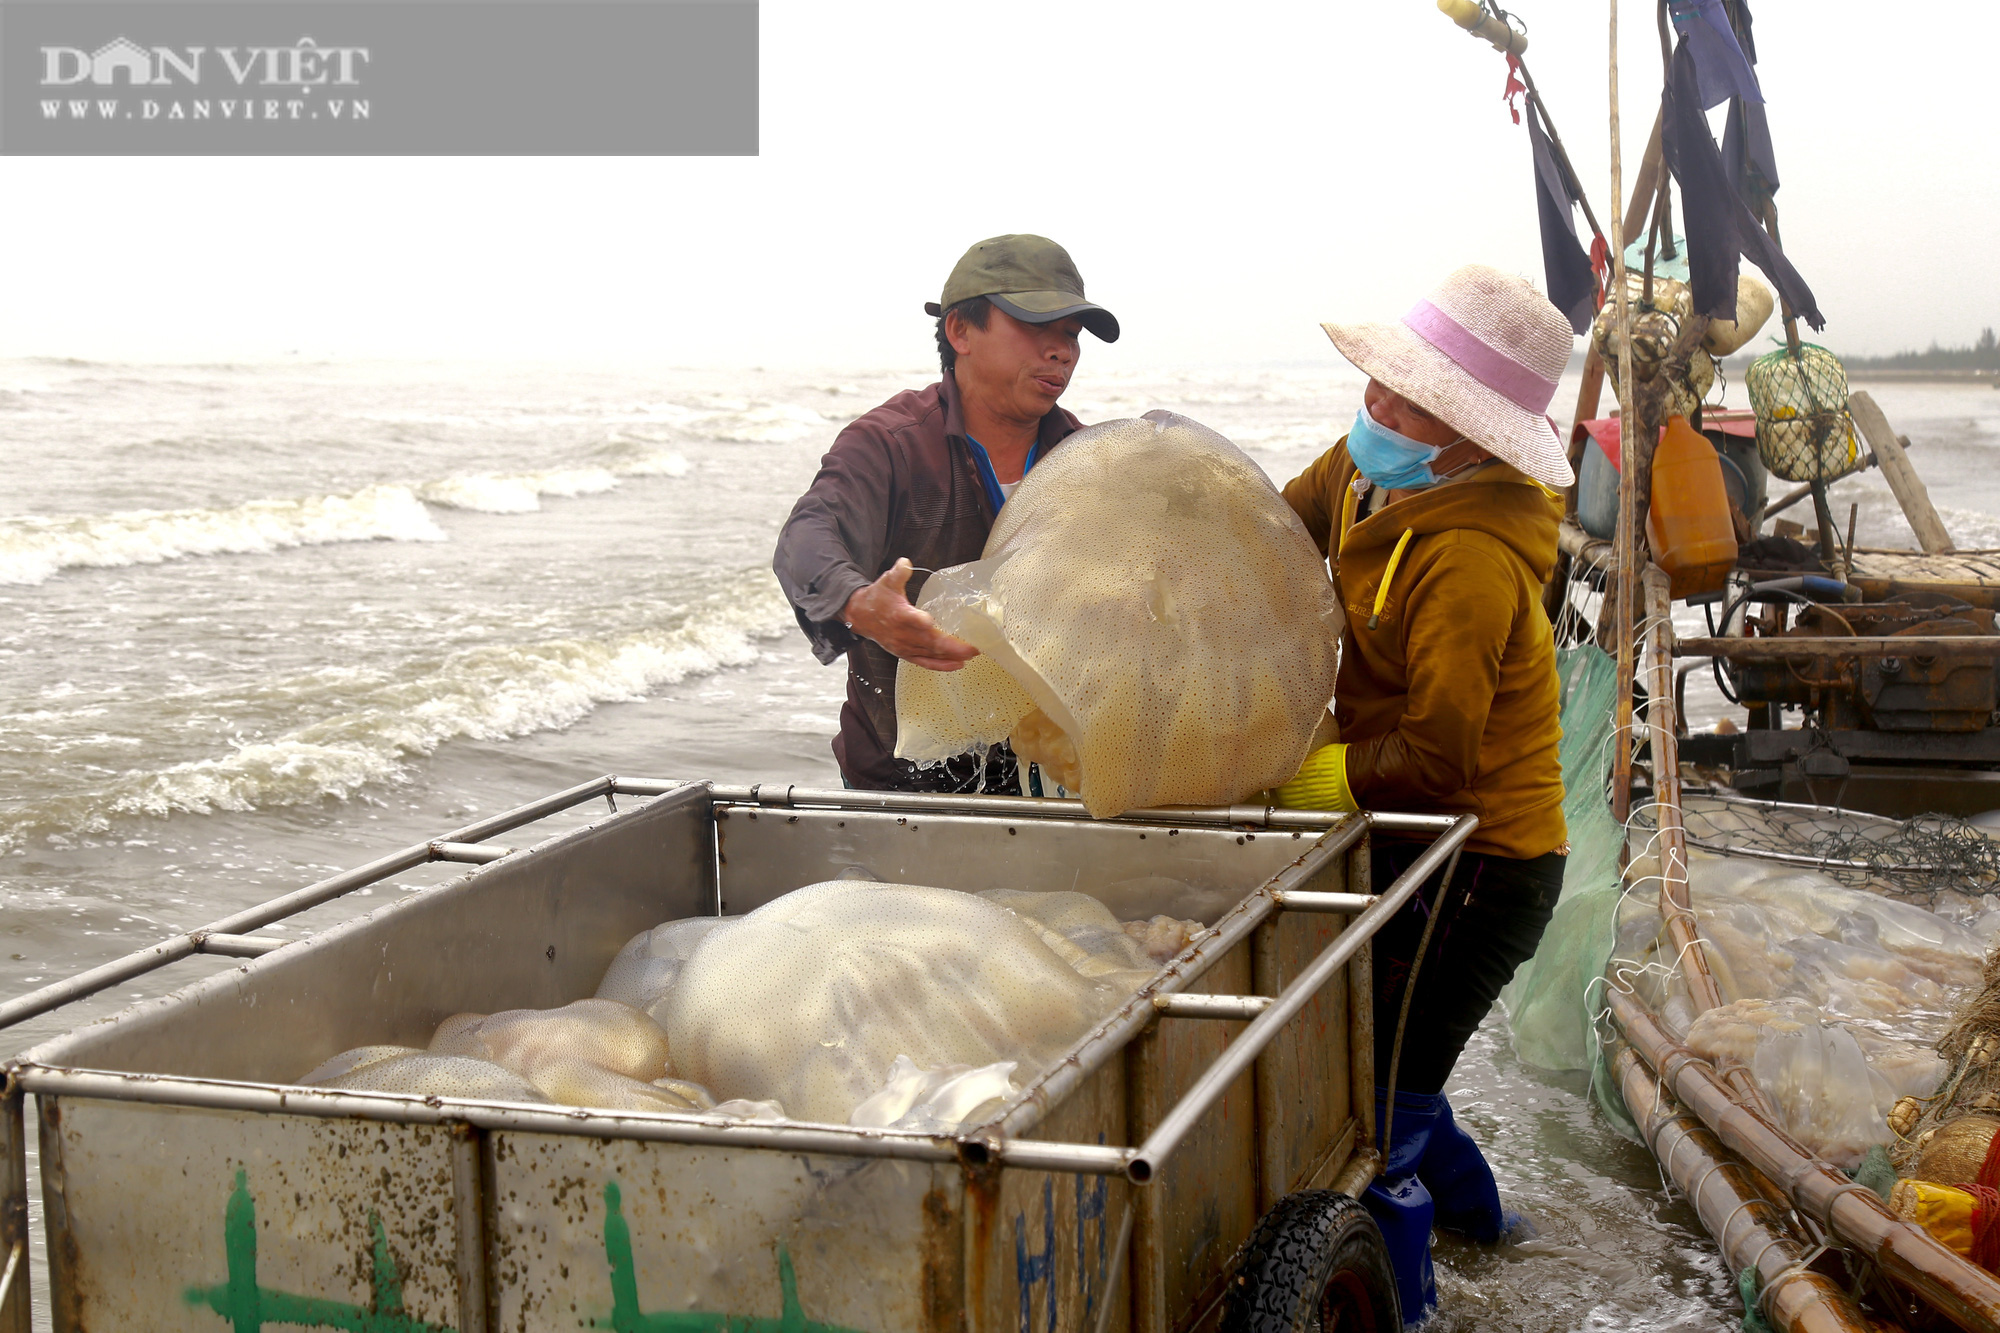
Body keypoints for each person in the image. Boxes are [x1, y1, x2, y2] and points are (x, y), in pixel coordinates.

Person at [1275, 263, 1574, 1324]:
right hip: (1412, 833)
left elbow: (1438, 757)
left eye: (1417, 404)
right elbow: (1275, 534)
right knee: (1393, 1051)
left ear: (1476, 436)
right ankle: (1496, 1232)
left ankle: (1406, 1307)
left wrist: (1306, 778)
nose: (1381, 411)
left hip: (1489, 859)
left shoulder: (1470, 562)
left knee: (1379, 1098)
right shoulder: (1365, 473)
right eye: (1383, 384)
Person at [773, 235, 1118, 792]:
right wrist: (861, 605)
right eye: (1038, 328)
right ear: (960, 331)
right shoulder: (892, 444)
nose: (1063, 351)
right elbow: (808, 536)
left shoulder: (1091, 462)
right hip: (900, 783)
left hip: (1057, 781)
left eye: (1071, 334)